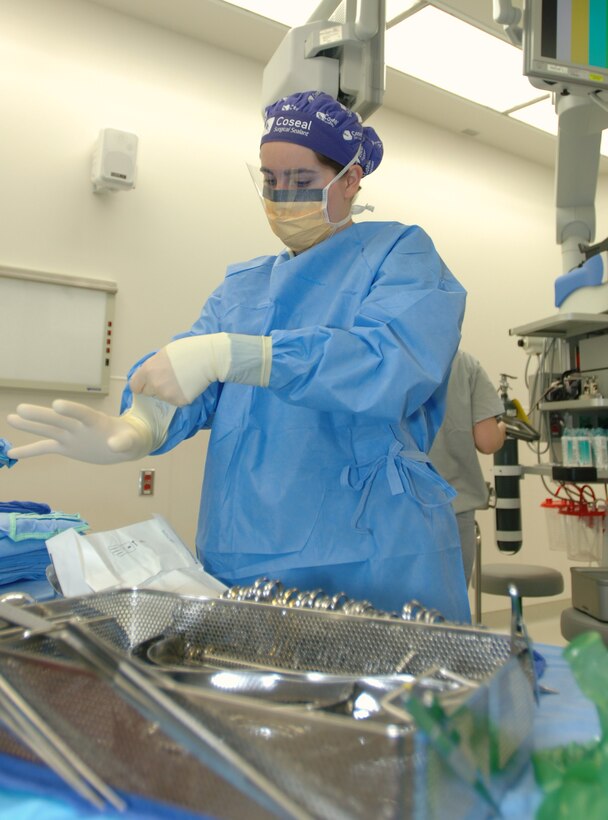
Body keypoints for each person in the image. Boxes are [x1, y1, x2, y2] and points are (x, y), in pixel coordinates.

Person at [7, 90, 470, 622]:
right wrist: (139, 427)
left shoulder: (399, 253)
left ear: (349, 179)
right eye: (271, 182)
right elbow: (191, 377)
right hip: (243, 541)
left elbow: (389, 363)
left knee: (395, 693)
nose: (282, 197)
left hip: (366, 541)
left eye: (300, 181)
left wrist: (241, 355)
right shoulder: (244, 286)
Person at [429, 350, 506, 587]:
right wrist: (502, 428)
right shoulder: (463, 363)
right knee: (450, 609)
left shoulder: (387, 353)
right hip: (454, 506)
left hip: (394, 510)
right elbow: (488, 441)